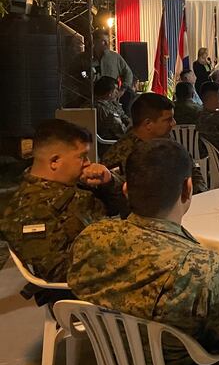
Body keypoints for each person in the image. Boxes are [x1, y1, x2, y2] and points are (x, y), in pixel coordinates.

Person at [68, 139, 219, 365]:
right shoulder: (202, 267)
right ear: (188, 189)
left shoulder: (90, 239)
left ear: (126, 189)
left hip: (119, 364)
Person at [0, 120, 126, 286]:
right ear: (55, 161)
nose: (88, 162)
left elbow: (124, 205)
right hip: (95, 285)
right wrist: (121, 253)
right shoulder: (31, 209)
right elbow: (57, 270)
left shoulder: (73, 183)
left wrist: (108, 181)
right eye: (82, 156)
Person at [103, 93, 209, 194]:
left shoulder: (168, 142)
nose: (174, 123)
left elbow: (191, 169)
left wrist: (199, 193)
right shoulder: (119, 155)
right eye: (168, 119)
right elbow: (117, 195)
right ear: (148, 123)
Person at [93, 76, 130, 144]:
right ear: (109, 92)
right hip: (111, 143)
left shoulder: (111, 103)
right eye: (116, 89)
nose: (117, 92)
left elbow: (124, 117)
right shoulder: (100, 108)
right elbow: (120, 131)